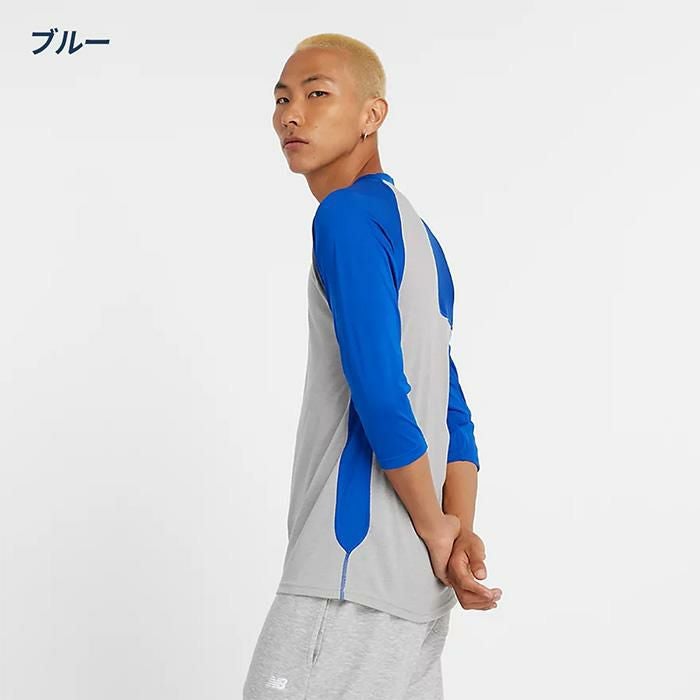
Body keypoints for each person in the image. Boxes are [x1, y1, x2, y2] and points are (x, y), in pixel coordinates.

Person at [243, 33, 502, 700]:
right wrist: (454, 534)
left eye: (317, 94)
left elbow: (382, 393)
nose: (291, 114)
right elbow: (454, 412)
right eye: (281, 99)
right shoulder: (421, 238)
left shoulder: (346, 217)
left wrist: (436, 527)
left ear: (371, 114)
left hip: (348, 576)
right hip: (415, 592)